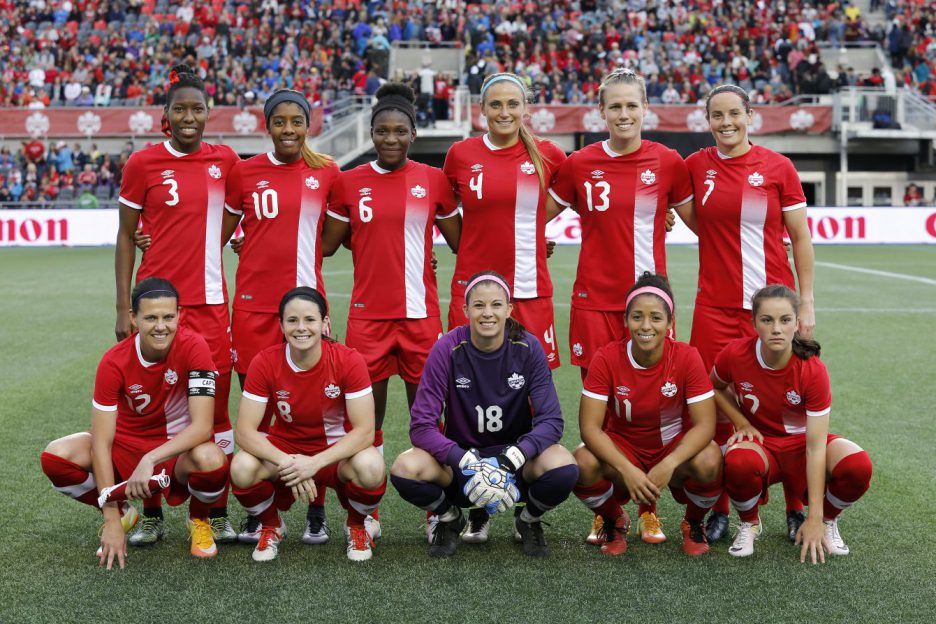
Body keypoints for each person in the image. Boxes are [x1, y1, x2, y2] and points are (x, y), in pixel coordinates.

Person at [546, 67, 695, 544]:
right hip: (593, 302)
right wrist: (538, 245)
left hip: (650, 305)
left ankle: (650, 505)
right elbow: (528, 215)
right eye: (615, 106)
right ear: (601, 111)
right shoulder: (578, 164)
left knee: (656, 403)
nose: (624, 113)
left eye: (632, 105)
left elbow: (707, 224)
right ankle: (609, 510)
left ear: (645, 108)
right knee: (604, 411)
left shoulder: (669, 162)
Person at [684, 84, 817, 542]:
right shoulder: (695, 166)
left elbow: (800, 237)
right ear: (708, 120)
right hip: (715, 308)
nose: (726, 123)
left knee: (786, 406)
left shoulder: (778, 167)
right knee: (717, 408)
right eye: (716, 115)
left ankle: (796, 506)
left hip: (774, 310)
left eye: (734, 114)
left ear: (750, 115)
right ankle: (724, 505)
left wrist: (808, 301)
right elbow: (684, 212)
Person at [115, 64, 241, 545]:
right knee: (153, 410)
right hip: (155, 306)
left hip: (210, 307)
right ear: (165, 116)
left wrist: (220, 243)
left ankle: (212, 511)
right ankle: (150, 514)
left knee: (218, 413)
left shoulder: (226, 161)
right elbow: (126, 236)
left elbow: (238, 216)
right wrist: (120, 308)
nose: (189, 117)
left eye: (197, 109)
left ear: (209, 113)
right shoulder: (142, 163)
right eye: (180, 109)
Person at [39, 278, 229, 568]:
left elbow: (203, 427)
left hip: (173, 451)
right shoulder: (113, 361)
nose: (161, 326)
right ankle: (125, 514)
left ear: (180, 315)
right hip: (124, 447)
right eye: (151, 318)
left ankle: (199, 519)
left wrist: (150, 458)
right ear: (133, 318)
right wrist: (110, 516)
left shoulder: (195, 347)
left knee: (212, 458)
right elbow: (101, 443)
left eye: (168, 317)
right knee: (55, 457)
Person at [390, 271, 578, 558]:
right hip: (462, 465)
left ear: (509, 309)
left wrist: (515, 455)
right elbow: (421, 426)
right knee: (405, 467)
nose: (487, 313)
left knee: (563, 466)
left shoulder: (528, 347)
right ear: (466, 310)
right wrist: (463, 459)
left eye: (496, 305)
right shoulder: (447, 349)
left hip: (515, 466)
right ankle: (451, 518)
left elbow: (551, 421)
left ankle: (528, 520)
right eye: (478, 305)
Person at [324, 82, 461, 469]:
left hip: (421, 318)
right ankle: (369, 513)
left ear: (413, 134)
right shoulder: (348, 182)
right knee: (366, 422)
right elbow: (326, 245)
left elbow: (464, 243)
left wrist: (537, 241)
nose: (391, 138)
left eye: (400, 131)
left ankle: (437, 512)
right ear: (370, 133)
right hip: (368, 319)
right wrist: (249, 239)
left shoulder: (434, 180)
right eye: (382, 130)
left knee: (429, 421)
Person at [713, 285, 872, 562]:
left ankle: (829, 523)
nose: (776, 329)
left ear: (796, 323)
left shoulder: (812, 370)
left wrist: (815, 517)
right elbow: (715, 387)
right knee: (737, 463)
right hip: (761, 446)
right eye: (767, 320)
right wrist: (740, 421)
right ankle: (749, 523)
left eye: (785, 320)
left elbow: (815, 447)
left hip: (802, 447)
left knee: (858, 466)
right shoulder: (735, 354)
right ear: (754, 323)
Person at [230, 287, 386, 562]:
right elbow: (244, 432)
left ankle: (356, 525)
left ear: (325, 323)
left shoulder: (349, 360)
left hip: (335, 452)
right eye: (292, 321)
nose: (301, 328)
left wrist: (314, 463)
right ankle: (272, 526)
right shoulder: (265, 361)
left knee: (372, 467)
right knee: (242, 467)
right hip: (287, 450)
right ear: (281, 325)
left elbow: (365, 431)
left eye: (310, 320)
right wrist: (290, 463)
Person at [572, 273, 722, 556]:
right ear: (625, 321)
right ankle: (613, 518)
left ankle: (693, 522)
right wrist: (627, 469)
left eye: (656, 317)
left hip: (671, 446)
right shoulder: (606, 357)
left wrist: (670, 463)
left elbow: (706, 425)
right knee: (581, 463)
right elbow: (589, 428)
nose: (646, 326)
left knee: (710, 458)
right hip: (625, 448)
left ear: (669, 322)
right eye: (637, 317)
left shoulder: (687, 356)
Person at [443, 72, 566, 370]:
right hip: (472, 288)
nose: (504, 112)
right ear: (482, 109)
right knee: (466, 380)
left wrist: (658, 212)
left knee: (531, 386)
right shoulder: (460, 154)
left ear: (525, 108)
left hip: (529, 287)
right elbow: (438, 208)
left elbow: (589, 193)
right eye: (495, 105)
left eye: (513, 104)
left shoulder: (548, 154)